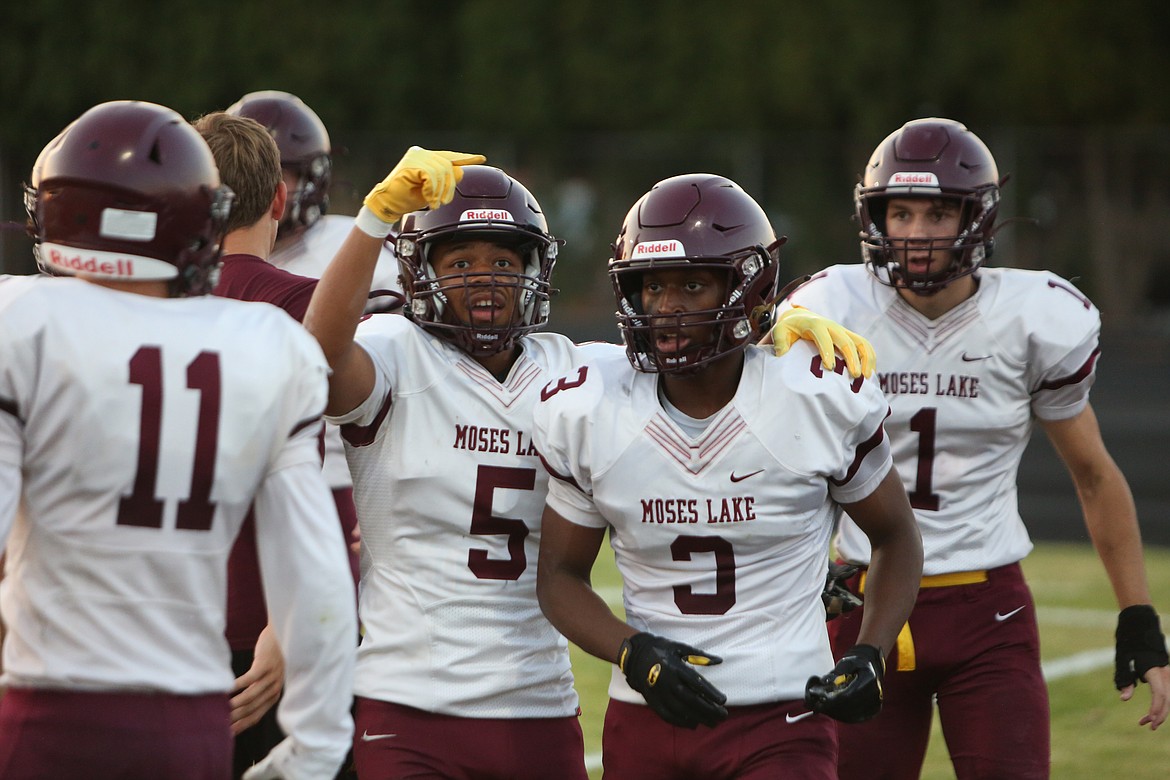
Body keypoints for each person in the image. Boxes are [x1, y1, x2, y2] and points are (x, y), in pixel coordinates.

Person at [300, 148, 875, 779]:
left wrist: (785, 325)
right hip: (407, 696)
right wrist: (375, 218)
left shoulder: (579, 371)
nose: (484, 277)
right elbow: (320, 358)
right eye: (459, 261)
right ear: (418, 273)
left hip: (537, 698)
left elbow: (696, 343)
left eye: (503, 260)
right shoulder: (393, 354)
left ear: (535, 267)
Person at [780, 117, 1170, 779]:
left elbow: (1094, 476)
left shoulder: (1034, 318)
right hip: (865, 606)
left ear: (978, 218)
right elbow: (776, 458)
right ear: (873, 216)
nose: (916, 232)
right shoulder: (830, 307)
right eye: (899, 212)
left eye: (938, 212)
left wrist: (1138, 615)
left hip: (988, 610)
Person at [0, 100, 357, 780]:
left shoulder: (23, 320)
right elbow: (316, 575)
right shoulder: (266, 344)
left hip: (52, 717)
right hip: (190, 725)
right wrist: (313, 745)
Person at [531, 172, 924, 779]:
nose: (667, 307)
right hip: (647, 715)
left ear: (750, 287)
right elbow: (558, 576)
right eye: (652, 286)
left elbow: (896, 535)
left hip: (785, 716)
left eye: (692, 284)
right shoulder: (593, 406)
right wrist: (633, 654)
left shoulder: (811, 394)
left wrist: (870, 653)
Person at [191, 109, 363, 779]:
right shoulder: (313, 306)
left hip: (166, 626)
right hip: (285, 621)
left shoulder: (134, 304)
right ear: (280, 197)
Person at [225, 89, 403, 312]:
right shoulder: (201, 254)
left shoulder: (352, 244)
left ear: (312, 178)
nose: (257, 185)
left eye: (276, 174)